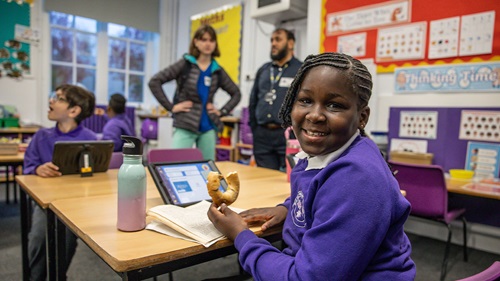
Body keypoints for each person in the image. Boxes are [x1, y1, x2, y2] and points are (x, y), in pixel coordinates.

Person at [208, 53, 416, 280]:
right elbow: (318, 191)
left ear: (362, 117)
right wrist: (287, 208)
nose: (315, 115)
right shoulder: (326, 152)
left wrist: (241, 235)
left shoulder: (356, 178)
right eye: (305, 100)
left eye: (334, 105)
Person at [24, 84, 97, 281]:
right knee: (39, 238)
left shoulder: (91, 139)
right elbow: (27, 168)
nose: (51, 100)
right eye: (52, 96)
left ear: (74, 110)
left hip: (75, 203)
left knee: (66, 241)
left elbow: (98, 175)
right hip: (45, 202)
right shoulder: (41, 136)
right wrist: (37, 169)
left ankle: (58, 276)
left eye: (58, 98)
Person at [148, 24, 241, 160]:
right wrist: (171, 107)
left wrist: (222, 111)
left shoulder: (217, 70)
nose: (207, 44)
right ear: (196, 42)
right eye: (203, 40)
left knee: (208, 172)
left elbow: (236, 93)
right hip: (185, 124)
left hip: (208, 127)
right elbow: (154, 82)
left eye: (211, 40)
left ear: (215, 44)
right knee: (176, 166)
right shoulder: (185, 64)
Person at [248, 28, 302, 171]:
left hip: (287, 135)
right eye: (272, 40)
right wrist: (255, 129)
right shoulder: (264, 70)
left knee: (288, 180)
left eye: (278, 39)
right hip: (262, 135)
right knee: (264, 179)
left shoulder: (300, 69)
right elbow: (253, 101)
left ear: (290, 43)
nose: (273, 44)